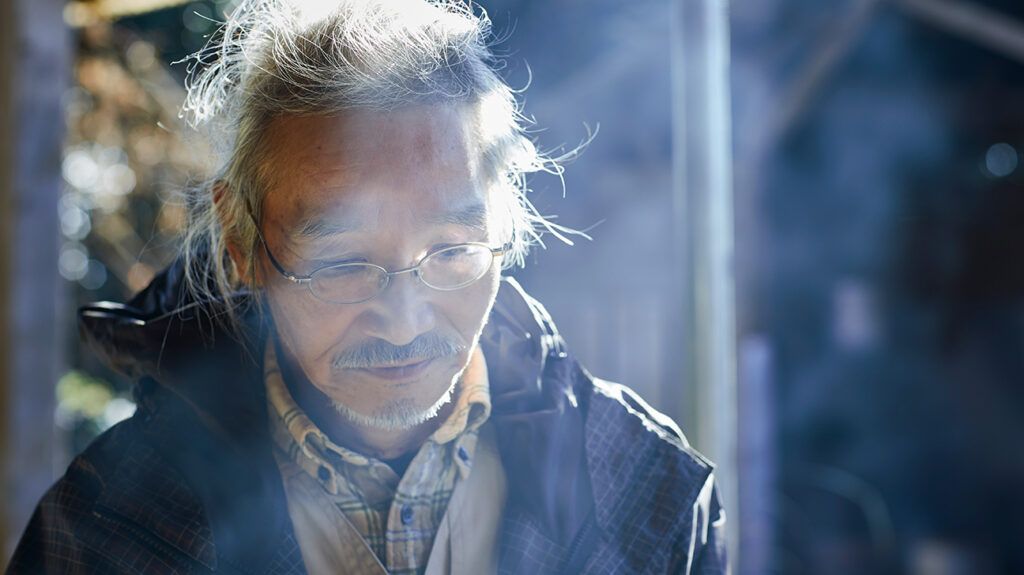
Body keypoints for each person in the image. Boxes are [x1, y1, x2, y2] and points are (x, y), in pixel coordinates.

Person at [9, 1, 727, 573]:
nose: (404, 321)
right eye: (344, 261)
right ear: (241, 235)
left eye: (451, 251)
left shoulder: (644, 485)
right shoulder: (115, 523)